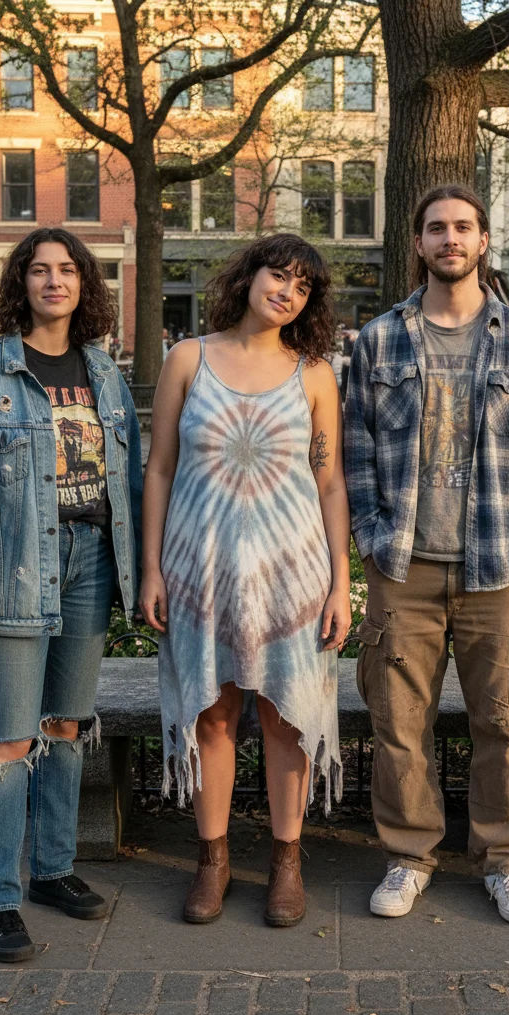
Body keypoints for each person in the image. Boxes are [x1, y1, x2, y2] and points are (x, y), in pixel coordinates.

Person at [344, 184, 509, 925]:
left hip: (496, 567)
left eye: (463, 227)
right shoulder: (377, 339)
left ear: (483, 241)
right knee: (399, 723)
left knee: (504, 720)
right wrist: (372, 541)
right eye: (436, 227)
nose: (450, 239)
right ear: (419, 243)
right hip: (404, 567)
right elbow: (357, 452)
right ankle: (409, 856)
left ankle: (506, 861)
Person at [0, 227, 143, 963]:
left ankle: (52, 869)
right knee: (7, 743)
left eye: (68, 271)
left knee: (66, 726)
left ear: (85, 285)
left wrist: (139, 577)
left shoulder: (104, 374)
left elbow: (132, 484)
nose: (55, 281)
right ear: (20, 284)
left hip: (90, 562)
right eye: (40, 271)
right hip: (20, 566)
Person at [142, 234, 350, 929]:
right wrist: (150, 568)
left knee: (286, 718)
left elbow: (329, 480)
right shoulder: (188, 358)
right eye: (278, 274)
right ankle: (213, 859)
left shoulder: (314, 373)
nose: (286, 290)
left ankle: (286, 863)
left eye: (302, 286)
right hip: (200, 571)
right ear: (249, 276)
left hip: (293, 577)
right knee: (213, 714)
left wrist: (341, 582)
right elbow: (160, 469)